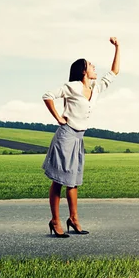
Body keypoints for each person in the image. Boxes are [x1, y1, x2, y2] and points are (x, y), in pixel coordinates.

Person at [42, 37, 120, 237]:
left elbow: (114, 72)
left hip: (78, 139)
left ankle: (74, 219)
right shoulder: (73, 86)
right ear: (83, 70)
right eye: (90, 65)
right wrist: (59, 117)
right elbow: (47, 95)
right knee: (59, 180)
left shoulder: (95, 90)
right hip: (66, 136)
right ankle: (55, 221)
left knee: (73, 182)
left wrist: (118, 47)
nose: (94, 66)